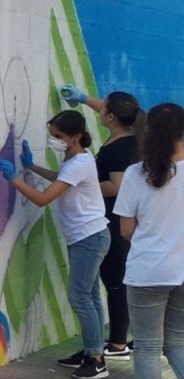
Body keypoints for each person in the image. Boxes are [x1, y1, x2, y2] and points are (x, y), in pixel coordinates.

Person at [0, 110, 111, 379]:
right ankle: (91, 351)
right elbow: (61, 180)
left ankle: (96, 359)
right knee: (90, 295)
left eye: (58, 137)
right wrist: (31, 166)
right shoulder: (73, 160)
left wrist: (14, 179)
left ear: (76, 137)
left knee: (80, 297)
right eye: (52, 136)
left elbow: (43, 199)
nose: (54, 141)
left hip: (89, 238)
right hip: (84, 237)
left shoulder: (79, 163)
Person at [112, 102, 184, 379]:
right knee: (178, 344)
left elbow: (127, 231)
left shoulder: (135, 174)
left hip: (147, 272)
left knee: (148, 347)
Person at [62, 85, 146, 357]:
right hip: (108, 215)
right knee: (101, 285)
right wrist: (83, 99)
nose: (100, 108)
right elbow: (109, 107)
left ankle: (117, 342)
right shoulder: (128, 135)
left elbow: (118, 185)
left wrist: (82, 184)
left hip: (111, 217)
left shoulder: (120, 149)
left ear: (111, 117)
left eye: (104, 107)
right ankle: (97, 344)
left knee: (113, 280)